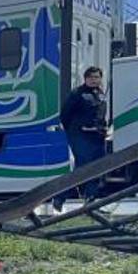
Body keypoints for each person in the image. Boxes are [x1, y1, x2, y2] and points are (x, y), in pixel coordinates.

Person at [53, 66, 108, 210]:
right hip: (80, 136)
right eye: (91, 77)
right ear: (86, 78)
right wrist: (74, 130)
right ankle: (59, 197)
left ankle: (91, 199)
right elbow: (65, 115)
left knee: (97, 168)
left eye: (97, 77)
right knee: (82, 168)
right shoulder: (77, 94)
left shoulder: (101, 94)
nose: (94, 80)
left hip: (97, 136)